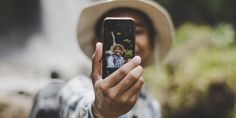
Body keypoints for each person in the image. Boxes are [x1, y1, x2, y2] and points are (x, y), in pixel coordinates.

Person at [30, 0, 174, 118]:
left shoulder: (152, 106)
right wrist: (101, 111)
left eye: (138, 31)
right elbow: (77, 106)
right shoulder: (77, 87)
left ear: (152, 43)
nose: (125, 41)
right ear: (97, 44)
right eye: (113, 34)